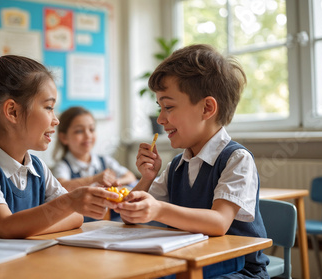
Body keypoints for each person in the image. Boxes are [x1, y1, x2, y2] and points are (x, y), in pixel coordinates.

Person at [115, 44, 270, 278]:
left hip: (238, 270)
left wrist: (157, 209)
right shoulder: (177, 165)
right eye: (160, 107)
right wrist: (146, 179)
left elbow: (218, 222)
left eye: (168, 107)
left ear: (207, 108)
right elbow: (128, 216)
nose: (160, 118)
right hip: (189, 265)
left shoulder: (236, 159)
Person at [0, 50, 119, 239]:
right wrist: (69, 202)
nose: (56, 120)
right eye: (48, 108)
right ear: (12, 111)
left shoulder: (37, 167)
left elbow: (76, 217)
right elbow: (6, 227)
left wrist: (27, 228)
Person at [52, 106, 137, 221]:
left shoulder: (105, 161)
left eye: (91, 129)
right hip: (81, 224)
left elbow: (130, 176)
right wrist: (94, 179)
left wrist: (115, 183)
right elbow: (61, 186)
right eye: (79, 131)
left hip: (111, 222)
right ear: (64, 137)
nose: (88, 136)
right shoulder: (62, 166)